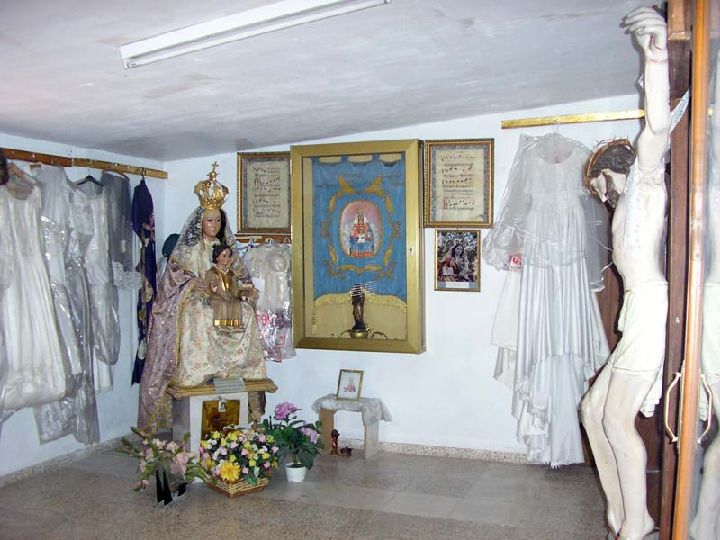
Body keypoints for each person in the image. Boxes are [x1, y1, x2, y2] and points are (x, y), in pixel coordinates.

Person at [579, 7, 670, 539]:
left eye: (597, 188)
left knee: (616, 419)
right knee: (593, 409)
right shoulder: (623, 204)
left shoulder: (645, 180)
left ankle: (638, 523)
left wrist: (654, 54)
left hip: (650, 303)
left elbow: (656, 126)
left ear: (606, 172)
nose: (599, 197)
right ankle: (620, 512)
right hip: (637, 307)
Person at [137, 163, 265, 432]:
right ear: (200, 222)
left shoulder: (226, 249)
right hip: (198, 298)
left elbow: (240, 275)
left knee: (245, 312)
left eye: (218, 221)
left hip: (224, 297)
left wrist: (246, 289)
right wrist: (191, 283)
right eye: (209, 220)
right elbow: (174, 276)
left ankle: (237, 368)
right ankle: (199, 370)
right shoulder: (189, 249)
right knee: (200, 313)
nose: (214, 225)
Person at [204, 243, 250, 329]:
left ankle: (235, 325)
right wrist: (213, 286)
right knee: (223, 305)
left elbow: (235, 288)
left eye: (229, 256)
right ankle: (221, 326)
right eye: (224, 256)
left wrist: (241, 294)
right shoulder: (211, 272)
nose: (227, 259)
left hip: (229, 297)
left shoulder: (231, 274)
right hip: (216, 298)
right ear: (217, 257)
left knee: (236, 304)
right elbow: (206, 288)